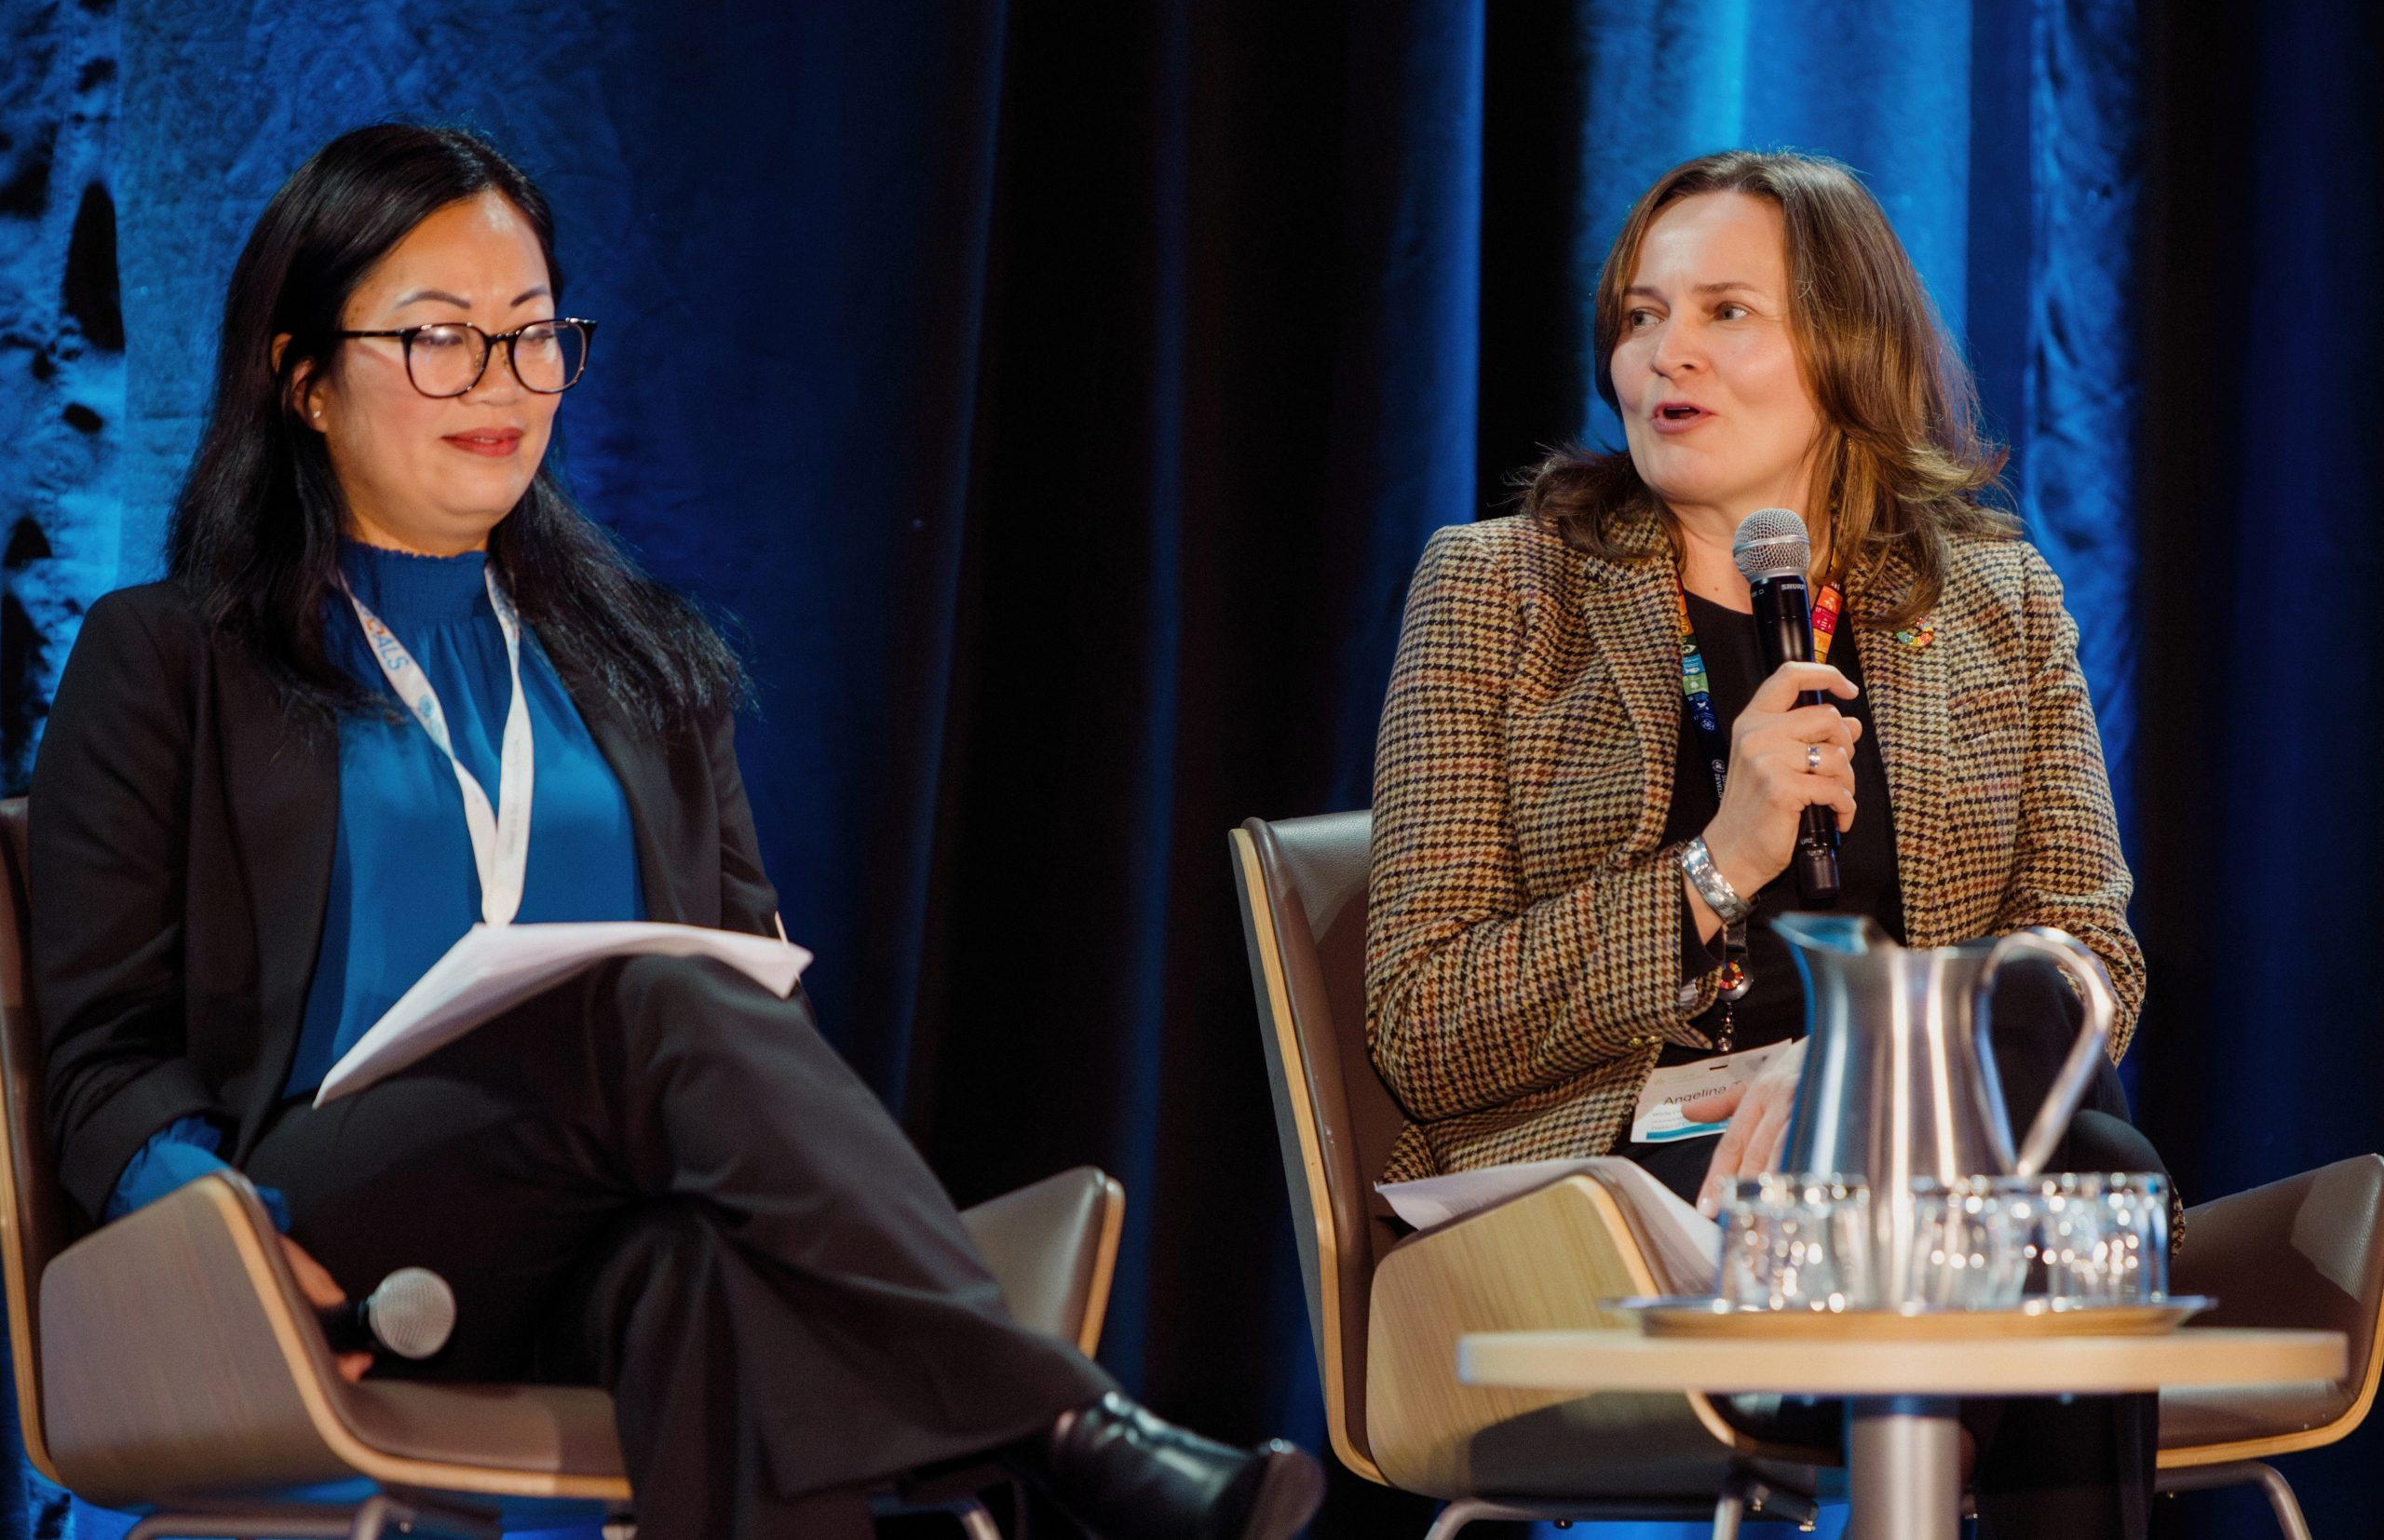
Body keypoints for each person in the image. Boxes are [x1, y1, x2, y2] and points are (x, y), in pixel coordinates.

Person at [29, 123, 1323, 1540]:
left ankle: (1045, 1430)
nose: (503, 381)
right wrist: (229, 1236)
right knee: (649, 998)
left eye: (533, 335)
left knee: (706, 1282)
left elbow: (755, 1012)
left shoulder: (649, 668)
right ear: (305, 380)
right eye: (441, 338)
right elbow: (103, 1058)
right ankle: (1070, 1429)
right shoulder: (168, 657)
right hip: (320, 1226)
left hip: (590, 1243)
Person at [1364, 150, 2165, 1537]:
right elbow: (1420, 1021)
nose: (1664, 353)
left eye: (1725, 311)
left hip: (1914, 1181)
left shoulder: (1999, 600)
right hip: (1636, 1194)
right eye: (1640, 315)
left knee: (2074, 1145)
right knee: (2096, 1185)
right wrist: (1715, 863)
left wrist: (1866, 1076)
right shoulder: (1499, 590)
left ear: (1849, 346)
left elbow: (2095, 958)